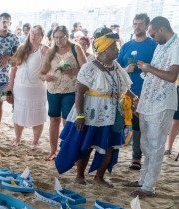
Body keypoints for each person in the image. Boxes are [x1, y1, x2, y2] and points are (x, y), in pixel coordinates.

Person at [55, 27, 137, 187]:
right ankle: (80, 176)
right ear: (104, 50)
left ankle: (99, 177)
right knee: (87, 145)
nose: (117, 50)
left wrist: (133, 97)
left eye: (116, 47)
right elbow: (79, 91)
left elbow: (123, 86)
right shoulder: (89, 67)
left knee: (109, 146)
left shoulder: (116, 67)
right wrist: (80, 115)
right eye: (114, 48)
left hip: (112, 114)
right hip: (91, 114)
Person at [126, 17, 179, 198]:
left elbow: (172, 76)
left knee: (156, 145)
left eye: (154, 34)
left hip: (163, 103)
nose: (153, 38)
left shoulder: (176, 45)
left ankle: (149, 187)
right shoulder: (161, 45)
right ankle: (142, 180)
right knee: (145, 144)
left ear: (162, 29)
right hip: (148, 101)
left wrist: (148, 67)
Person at [117, 13, 157, 171]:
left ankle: (137, 158)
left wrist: (146, 68)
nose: (137, 27)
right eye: (135, 24)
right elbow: (117, 68)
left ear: (147, 26)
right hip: (128, 92)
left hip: (147, 92)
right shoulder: (126, 46)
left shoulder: (153, 45)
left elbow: (158, 67)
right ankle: (133, 156)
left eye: (141, 24)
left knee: (142, 126)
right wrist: (127, 69)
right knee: (130, 123)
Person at [40, 25, 87, 161]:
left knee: (67, 121)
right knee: (53, 120)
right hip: (53, 89)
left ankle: (67, 151)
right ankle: (53, 151)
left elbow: (86, 68)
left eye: (61, 37)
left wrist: (74, 71)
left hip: (71, 90)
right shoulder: (50, 52)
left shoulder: (75, 48)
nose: (59, 40)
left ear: (67, 36)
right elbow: (41, 73)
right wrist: (45, 77)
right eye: (56, 38)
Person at [6, 25, 49, 149]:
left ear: (41, 37)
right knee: (18, 113)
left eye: (37, 34)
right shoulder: (21, 48)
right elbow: (13, 69)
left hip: (36, 88)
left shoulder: (44, 49)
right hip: (19, 87)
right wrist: (10, 87)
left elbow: (52, 65)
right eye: (32, 33)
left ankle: (35, 142)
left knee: (37, 115)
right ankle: (18, 139)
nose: (34, 36)